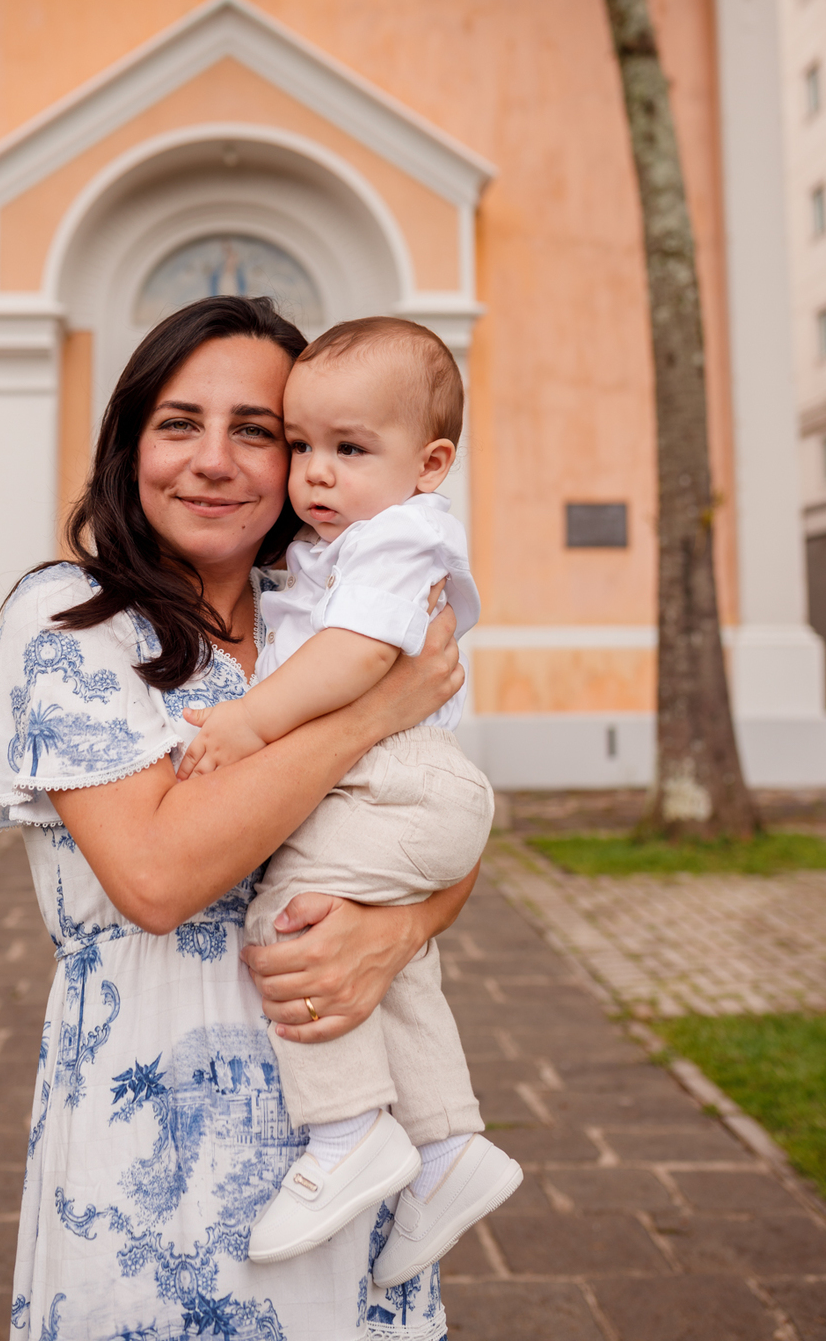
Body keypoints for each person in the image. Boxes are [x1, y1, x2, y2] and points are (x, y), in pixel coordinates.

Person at [0, 296, 476, 1341]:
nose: (215, 461)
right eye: (179, 424)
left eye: (258, 431)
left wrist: (397, 932)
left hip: (351, 1120)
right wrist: (371, 713)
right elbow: (155, 877)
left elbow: (440, 828)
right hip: (160, 1130)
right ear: (129, 445)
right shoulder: (70, 618)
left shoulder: (329, 616)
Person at [176, 318, 522, 1282]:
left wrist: (250, 722)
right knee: (389, 962)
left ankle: (346, 1131)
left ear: (430, 463)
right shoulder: (341, 544)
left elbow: (362, 654)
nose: (314, 474)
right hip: (398, 783)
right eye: (299, 447)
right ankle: (448, 1148)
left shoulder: (402, 536)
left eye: (348, 449)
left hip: (400, 779)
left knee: (292, 919)